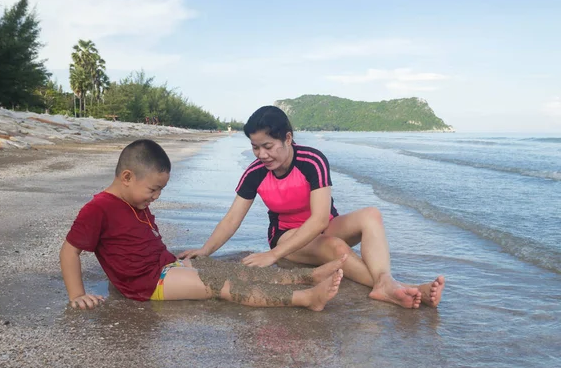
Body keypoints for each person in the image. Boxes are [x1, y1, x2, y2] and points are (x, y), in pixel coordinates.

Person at [180, 106, 445, 309]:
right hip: (286, 237)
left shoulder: (312, 160)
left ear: (288, 138)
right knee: (336, 248)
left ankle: (387, 282)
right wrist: (205, 250)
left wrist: (272, 258)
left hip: (325, 226)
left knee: (371, 215)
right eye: (255, 147)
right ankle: (397, 288)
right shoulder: (255, 173)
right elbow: (231, 219)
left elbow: (320, 220)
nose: (261, 155)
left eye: (268, 146)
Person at [60, 139, 345, 311]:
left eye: (160, 190)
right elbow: (69, 251)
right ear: (126, 177)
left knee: (233, 270)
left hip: (165, 266)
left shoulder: (134, 201)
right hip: (147, 284)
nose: (156, 197)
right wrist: (77, 295)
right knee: (222, 285)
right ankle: (306, 298)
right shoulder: (98, 208)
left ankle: (306, 278)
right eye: (153, 190)